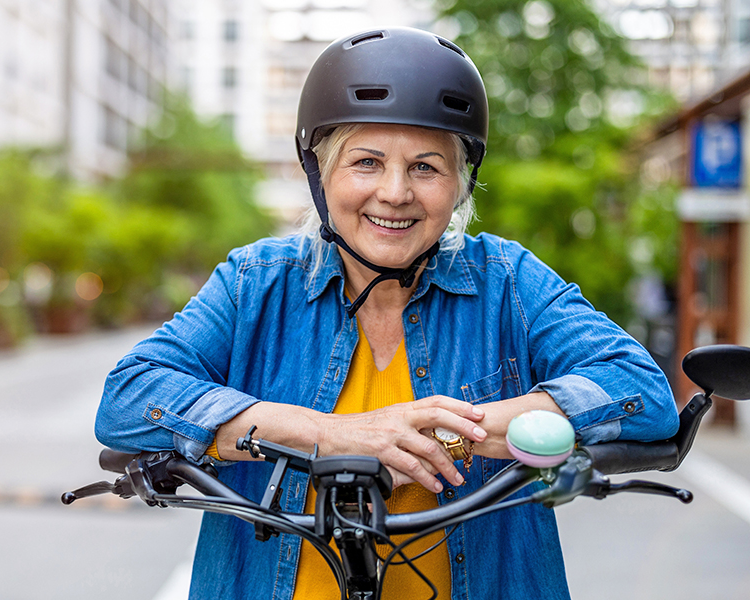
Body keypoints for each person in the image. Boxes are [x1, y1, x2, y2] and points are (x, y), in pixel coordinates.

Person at [95, 27, 678, 600]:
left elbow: (640, 390)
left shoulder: (508, 280)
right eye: (367, 162)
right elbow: (127, 398)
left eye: (426, 167)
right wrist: (334, 434)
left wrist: (447, 436)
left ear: (460, 184)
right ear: (319, 173)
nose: (396, 192)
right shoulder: (256, 281)